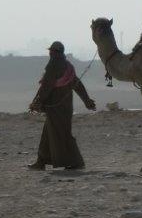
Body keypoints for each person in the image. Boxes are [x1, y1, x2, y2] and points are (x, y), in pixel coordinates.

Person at [28, 41, 96, 170]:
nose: (50, 54)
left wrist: (36, 102)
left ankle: (77, 162)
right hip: (66, 108)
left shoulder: (53, 65)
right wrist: (87, 101)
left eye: (51, 51)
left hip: (54, 107)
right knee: (48, 133)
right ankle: (41, 161)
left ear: (54, 52)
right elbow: (78, 85)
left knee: (62, 134)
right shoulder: (68, 67)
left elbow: (46, 87)